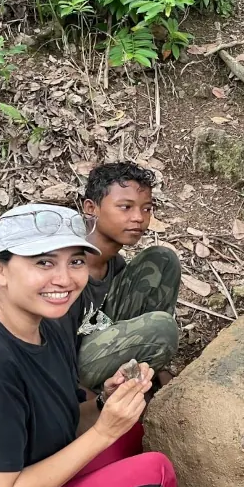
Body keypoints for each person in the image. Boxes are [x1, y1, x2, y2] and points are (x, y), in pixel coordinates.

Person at [0, 204, 177, 487]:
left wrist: (106, 403)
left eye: (75, 261)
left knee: (135, 432)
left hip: (29, 482)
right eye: (43, 263)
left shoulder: (49, 324)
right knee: (156, 479)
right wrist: (104, 431)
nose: (64, 279)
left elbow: (56, 427)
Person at [61, 163, 181, 391]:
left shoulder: (114, 264)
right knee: (162, 328)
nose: (138, 218)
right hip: (67, 366)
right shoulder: (66, 269)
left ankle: (150, 367)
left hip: (97, 336)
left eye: (146, 209)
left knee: (162, 259)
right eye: (125, 207)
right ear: (90, 208)